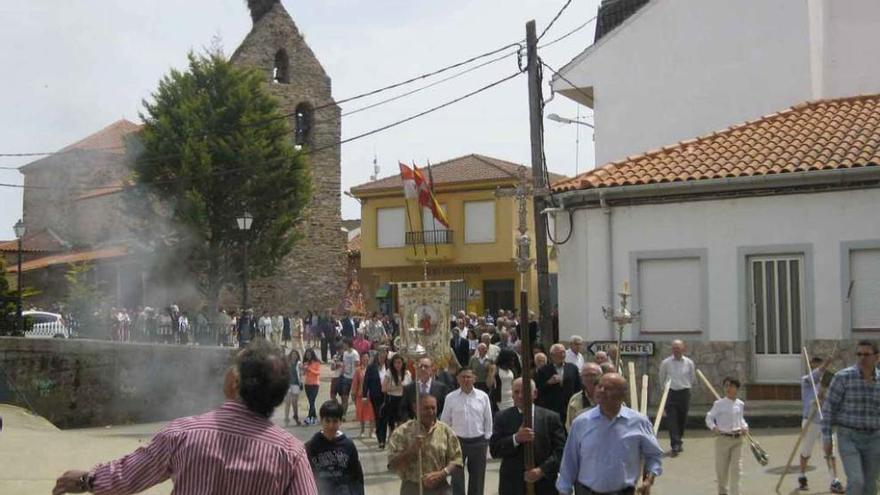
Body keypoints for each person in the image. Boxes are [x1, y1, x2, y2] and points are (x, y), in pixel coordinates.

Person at [52, 340, 318, 495]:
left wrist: (87, 480)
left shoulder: (184, 434)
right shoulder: (290, 453)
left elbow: (127, 476)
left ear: (235, 382)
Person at [557, 372, 663, 495]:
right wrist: (564, 490)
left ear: (622, 394)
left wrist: (649, 480)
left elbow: (654, 455)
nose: (601, 391)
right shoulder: (581, 422)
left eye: (608, 388)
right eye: (600, 386)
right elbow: (570, 460)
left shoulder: (639, 422)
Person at [822, 340, 880, 495]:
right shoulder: (843, 378)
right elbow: (828, 409)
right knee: (856, 482)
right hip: (849, 437)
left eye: (866, 354)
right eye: (859, 354)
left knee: (871, 487)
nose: (862, 358)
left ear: (877, 357)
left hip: (874, 439)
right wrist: (827, 439)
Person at [490, 377, 567, 495]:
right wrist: (516, 438)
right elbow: (495, 450)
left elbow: (560, 451)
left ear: (535, 393)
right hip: (512, 485)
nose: (520, 396)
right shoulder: (502, 417)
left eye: (525, 391)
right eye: (516, 392)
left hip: (544, 485)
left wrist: (541, 470)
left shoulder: (551, 418)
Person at [387, 394, 463, 495]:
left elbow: (457, 460)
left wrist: (442, 473)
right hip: (412, 488)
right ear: (415, 408)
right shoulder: (401, 432)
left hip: (440, 488)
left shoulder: (446, 431)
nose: (430, 412)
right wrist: (411, 451)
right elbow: (392, 465)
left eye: (433, 408)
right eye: (426, 408)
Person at [440, 368, 493, 495]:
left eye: (469, 377)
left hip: (478, 441)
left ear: (474, 378)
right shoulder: (450, 398)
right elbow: (445, 421)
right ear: (457, 379)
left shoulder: (483, 396)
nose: (466, 380)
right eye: (463, 377)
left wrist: (487, 439)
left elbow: (488, 419)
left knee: (478, 476)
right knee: (457, 477)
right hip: (458, 443)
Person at [798, 355, 844, 493]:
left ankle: (834, 480)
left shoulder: (829, 383)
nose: (819, 368)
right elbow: (816, 374)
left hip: (825, 421)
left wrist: (825, 398)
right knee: (806, 451)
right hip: (810, 421)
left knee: (830, 451)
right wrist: (826, 363)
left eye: (820, 365)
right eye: (816, 365)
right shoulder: (807, 381)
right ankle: (802, 475)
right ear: (812, 365)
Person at [306, 400, 365, 495]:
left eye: (335, 421)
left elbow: (356, 477)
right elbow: (305, 476)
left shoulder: (348, 445)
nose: (331, 425)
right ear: (321, 420)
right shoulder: (312, 445)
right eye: (327, 421)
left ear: (340, 421)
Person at [706, 377, 748, 495]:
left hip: (737, 439)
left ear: (736, 388)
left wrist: (745, 427)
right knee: (722, 470)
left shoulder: (740, 404)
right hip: (723, 439)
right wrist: (714, 427)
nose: (728, 388)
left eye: (731, 386)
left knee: (736, 470)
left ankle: (735, 493)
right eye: (726, 386)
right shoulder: (719, 404)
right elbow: (709, 417)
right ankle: (722, 492)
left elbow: (741, 419)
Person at [658, 339, 696, 457]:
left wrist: (688, 387)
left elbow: (692, 377)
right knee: (672, 420)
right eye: (674, 348)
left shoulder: (689, 362)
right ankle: (675, 444)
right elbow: (661, 377)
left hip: (684, 393)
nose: (676, 350)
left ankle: (678, 440)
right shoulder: (666, 363)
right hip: (670, 393)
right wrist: (664, 390)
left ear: (683, 349)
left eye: (678, 348)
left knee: (682, 419)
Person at [535, 343, 580, 424]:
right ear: (552, 355)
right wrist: (549, 383)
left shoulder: (572, 368)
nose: (562, 355)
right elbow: (538, 390)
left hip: (569, 407)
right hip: (552, 408)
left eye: (564, 352)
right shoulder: (543, 370)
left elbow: (578, 387)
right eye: (559, 353)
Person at [383, 353, 412, 445]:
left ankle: (401, 441)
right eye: (395, 363)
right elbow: (384, 388)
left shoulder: (407, 374)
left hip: (403, 399)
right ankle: (391, 440)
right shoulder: (389, 373)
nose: (397, 365)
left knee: (403, 422)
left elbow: (410, 388)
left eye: (399, 362)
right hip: (393, 399)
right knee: (392, 423)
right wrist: (396, 387)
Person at [565, 362, 602, 432]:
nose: (589, 378)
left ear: (601, 376)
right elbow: (570, 426)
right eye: (586, 375)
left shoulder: (611, 397)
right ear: (581, 378)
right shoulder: (575, 400)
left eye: (593, 375)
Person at [364, 348, 388, 446]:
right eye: (380, 356)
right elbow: (366, 382)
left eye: (384, 356)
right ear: (377, 357)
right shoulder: (371, 367)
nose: (382, 358)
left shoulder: (389, 367)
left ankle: (384, 436)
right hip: (376, 395)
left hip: (387, 395)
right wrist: (364, 395)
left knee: (385, 417)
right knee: (378, 416)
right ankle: (380, 439)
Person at [350, 352, 375, 439]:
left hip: (371, 395)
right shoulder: (358, 370)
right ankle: (362, 431)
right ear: (361, 359)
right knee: (361, 414)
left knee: (372, 414)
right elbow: (355, 383)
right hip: (361, 395)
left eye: (367, 357)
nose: (365, 359)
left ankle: (371, 432)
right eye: (364, 357)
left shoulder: (373, 369)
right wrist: (353, 393)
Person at [339, 338, 359, 418]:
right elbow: (344, 364)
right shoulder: (345, 353)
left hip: (353, 377)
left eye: (344, 343)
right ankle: (344, 414)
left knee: (354, 397)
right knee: (345, 397)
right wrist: (342, 374)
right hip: (346, 377)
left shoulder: (355, 353)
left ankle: (358, 412)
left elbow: (357, 365)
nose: (343, 345)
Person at [304, 348, 322, 425]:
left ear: (312, 354)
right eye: (307, 354)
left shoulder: (316, 362)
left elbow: (318, 372)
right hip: (307, 384)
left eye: (309, 354)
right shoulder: (305, 363)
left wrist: (310, 369)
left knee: (312, 400)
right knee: (311, 402)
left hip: (315, 384)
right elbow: (304, 373)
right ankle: (314, 418)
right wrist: (303, 369)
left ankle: (309, 417)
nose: (308, 356)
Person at [285, 349, 303, 426]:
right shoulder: (287, 363)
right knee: (288, 401)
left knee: (294, 402)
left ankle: (296, 416)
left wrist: (301, 369)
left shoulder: (299, 363)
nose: (294, 356)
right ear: (291, 355)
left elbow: (301, 374)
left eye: (295, 354)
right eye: (293, 354)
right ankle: (286, 418)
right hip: (288, 384)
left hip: (296, 384)